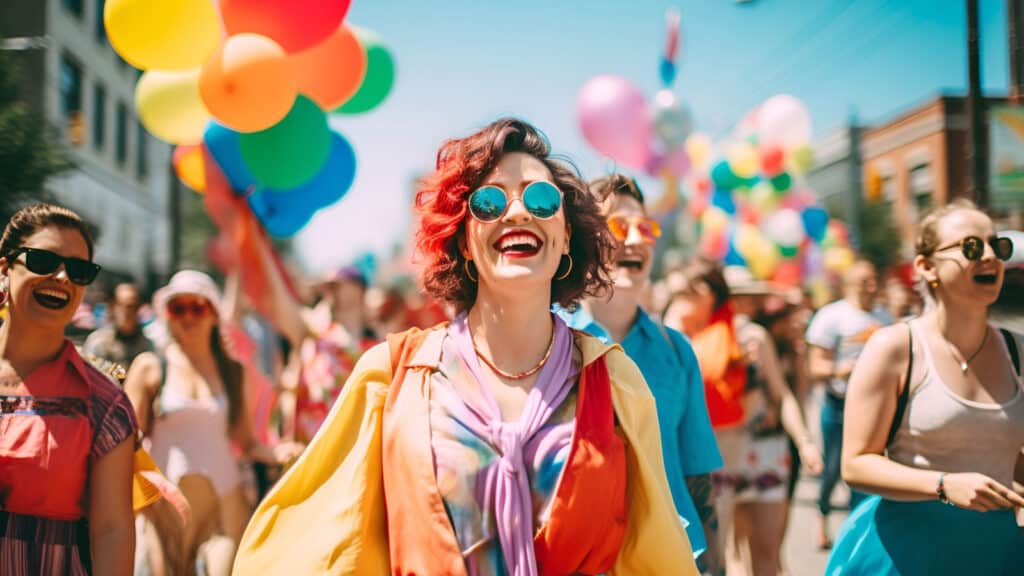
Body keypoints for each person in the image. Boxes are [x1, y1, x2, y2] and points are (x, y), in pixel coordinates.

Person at [234, 117, 700, 575]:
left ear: (564, 240)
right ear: (463, 242)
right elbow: (327, 545)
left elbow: (655, 551)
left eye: (540, 199)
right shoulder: (391, 375)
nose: (517, 212)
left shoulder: (615, 380)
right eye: (489, 201)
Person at [826, 199, 1024, 574]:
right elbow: (855, 464)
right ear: (926, 266)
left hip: (996, 553)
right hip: (907, 553)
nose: (988, 257)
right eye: (970, 246)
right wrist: (944, 484)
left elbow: (1007, 453)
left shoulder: (1018, 350)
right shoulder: (895, 347)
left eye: (997, 246)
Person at [560, 174, 723, 573]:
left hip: (670, 557)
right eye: (618, 225)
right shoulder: (550, 343)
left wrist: (717, 564)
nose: (635, 239)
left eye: (645, 227)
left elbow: (696, 472)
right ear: (584, 237)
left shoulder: (677, 350)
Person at [124, 270, 303, 576]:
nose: (188, 316)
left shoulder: (235, 372)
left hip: (224, 509)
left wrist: (285, 452)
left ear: (214, 314)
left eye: (198, 307)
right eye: (178, 308)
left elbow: (246, 442)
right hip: (165, 512)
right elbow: (125, 444)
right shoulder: (150, 367)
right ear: (167, 314)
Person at [0, 203, 136, 575]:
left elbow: (112, 530)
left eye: (78, 270)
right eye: (44, 261)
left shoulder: (104, 403)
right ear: (4, 269)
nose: (62, 277)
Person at [804, 258, 891, 548]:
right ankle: (822, 519)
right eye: (864, 281)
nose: (871, 286)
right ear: (849, 284)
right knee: (833, 469)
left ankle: (859, 534)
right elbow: (815, 367)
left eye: (874, 280)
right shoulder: (831, 317)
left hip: (877, 408)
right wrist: (843, 370)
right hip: (839, 405)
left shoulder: (886, 318)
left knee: (868, 474)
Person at [84, 282, 155, 368]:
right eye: (120, 304)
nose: (126, 311)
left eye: (131, 306)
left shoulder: (147, 345)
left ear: (138, 308)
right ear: (113, 306)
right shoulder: (99, 342)